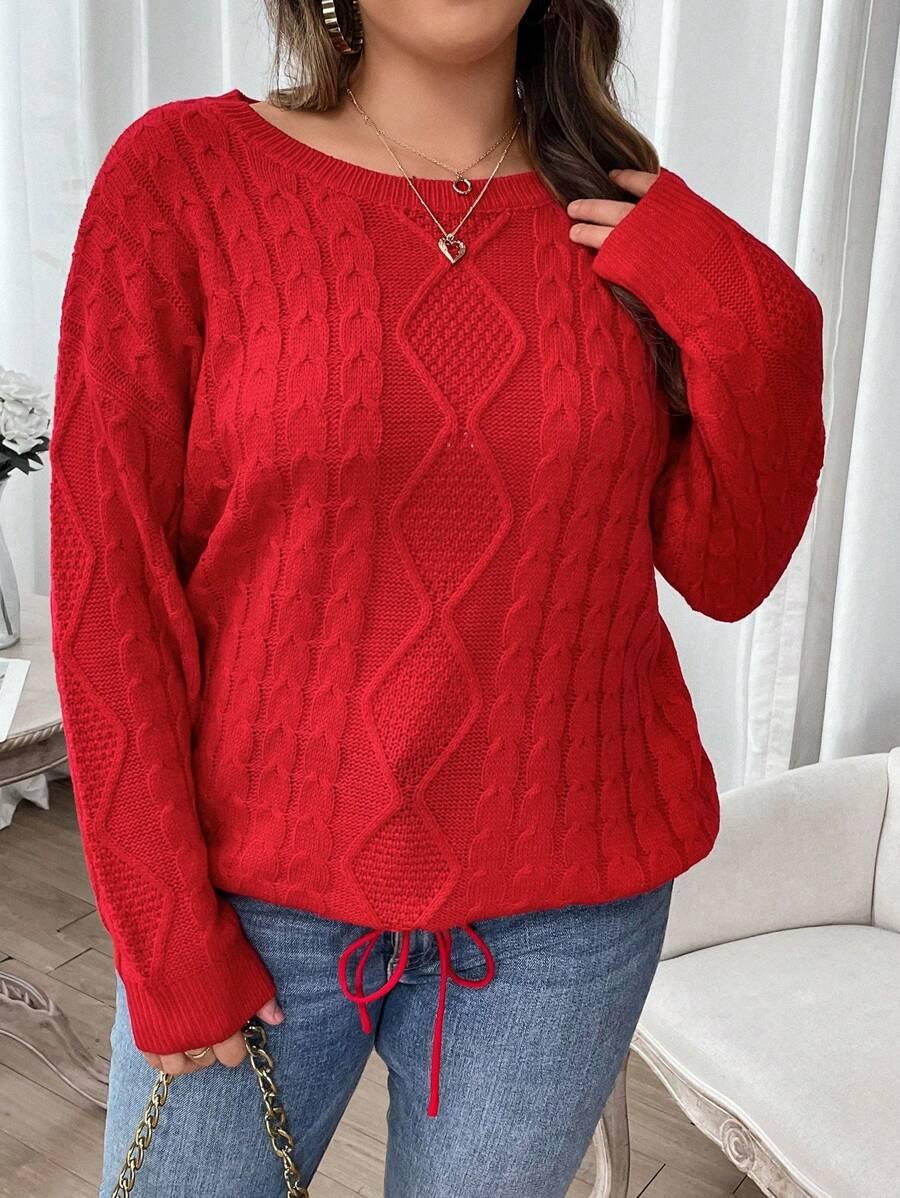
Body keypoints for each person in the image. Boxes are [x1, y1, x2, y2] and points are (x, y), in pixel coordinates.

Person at [48, 1, 827, 1194]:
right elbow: (110, 585)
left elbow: (728, 571)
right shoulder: (184, 177)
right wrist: (160, 927)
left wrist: (756, 315)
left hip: (566, 916)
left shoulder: (624, 223)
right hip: (251, 902)